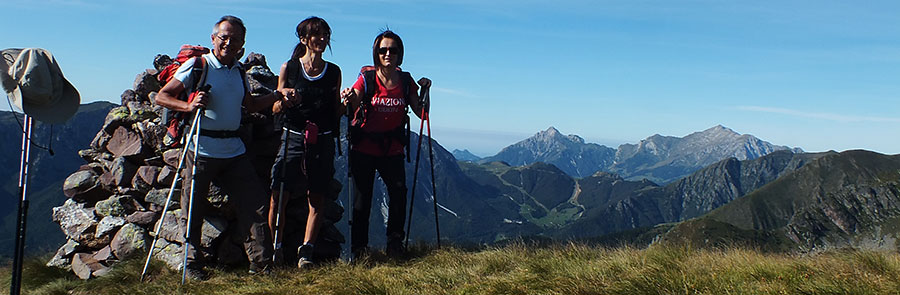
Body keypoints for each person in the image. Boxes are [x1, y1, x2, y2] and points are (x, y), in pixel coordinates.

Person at [155, 15, 297, 279]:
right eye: (224, 37)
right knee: (192, 209)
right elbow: (162, 96)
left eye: (235, 40)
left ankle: (261, 266)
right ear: (213, 39)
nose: (229, 43)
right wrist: (188, 106)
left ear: (242, 44)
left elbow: (251, 106)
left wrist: (278, 95)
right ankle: (191, 266)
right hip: (201, 148)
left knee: (255, 206)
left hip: (233, 148)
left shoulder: (239, 70)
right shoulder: (197, 66)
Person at [341, 30, 431, 259]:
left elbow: (422, 113)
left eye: (393, 49)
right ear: (376, 53)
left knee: (399, 193)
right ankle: (360, 249)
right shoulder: (367, 78)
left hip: (392, 147)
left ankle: (394, 243)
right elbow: (353, 101)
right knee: (363, 199)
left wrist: (424, 91)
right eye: (383, 50)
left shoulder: (405, 81)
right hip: (364, 147)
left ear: (400, 54)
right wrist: (348, 97)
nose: (388, 53)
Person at [267, 16, 342, 269]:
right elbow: (276, 107)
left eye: (325, 34)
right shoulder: (289, 68)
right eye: (316, 34)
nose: (321, 39)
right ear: (304, 39)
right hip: (293, 136)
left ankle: (306, 252)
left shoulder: (333, 72)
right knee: (278, 194)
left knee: (317, 197)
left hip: (321, 140)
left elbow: (336, 110)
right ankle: (275, 247)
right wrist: (284, 99)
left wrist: (349, 101)